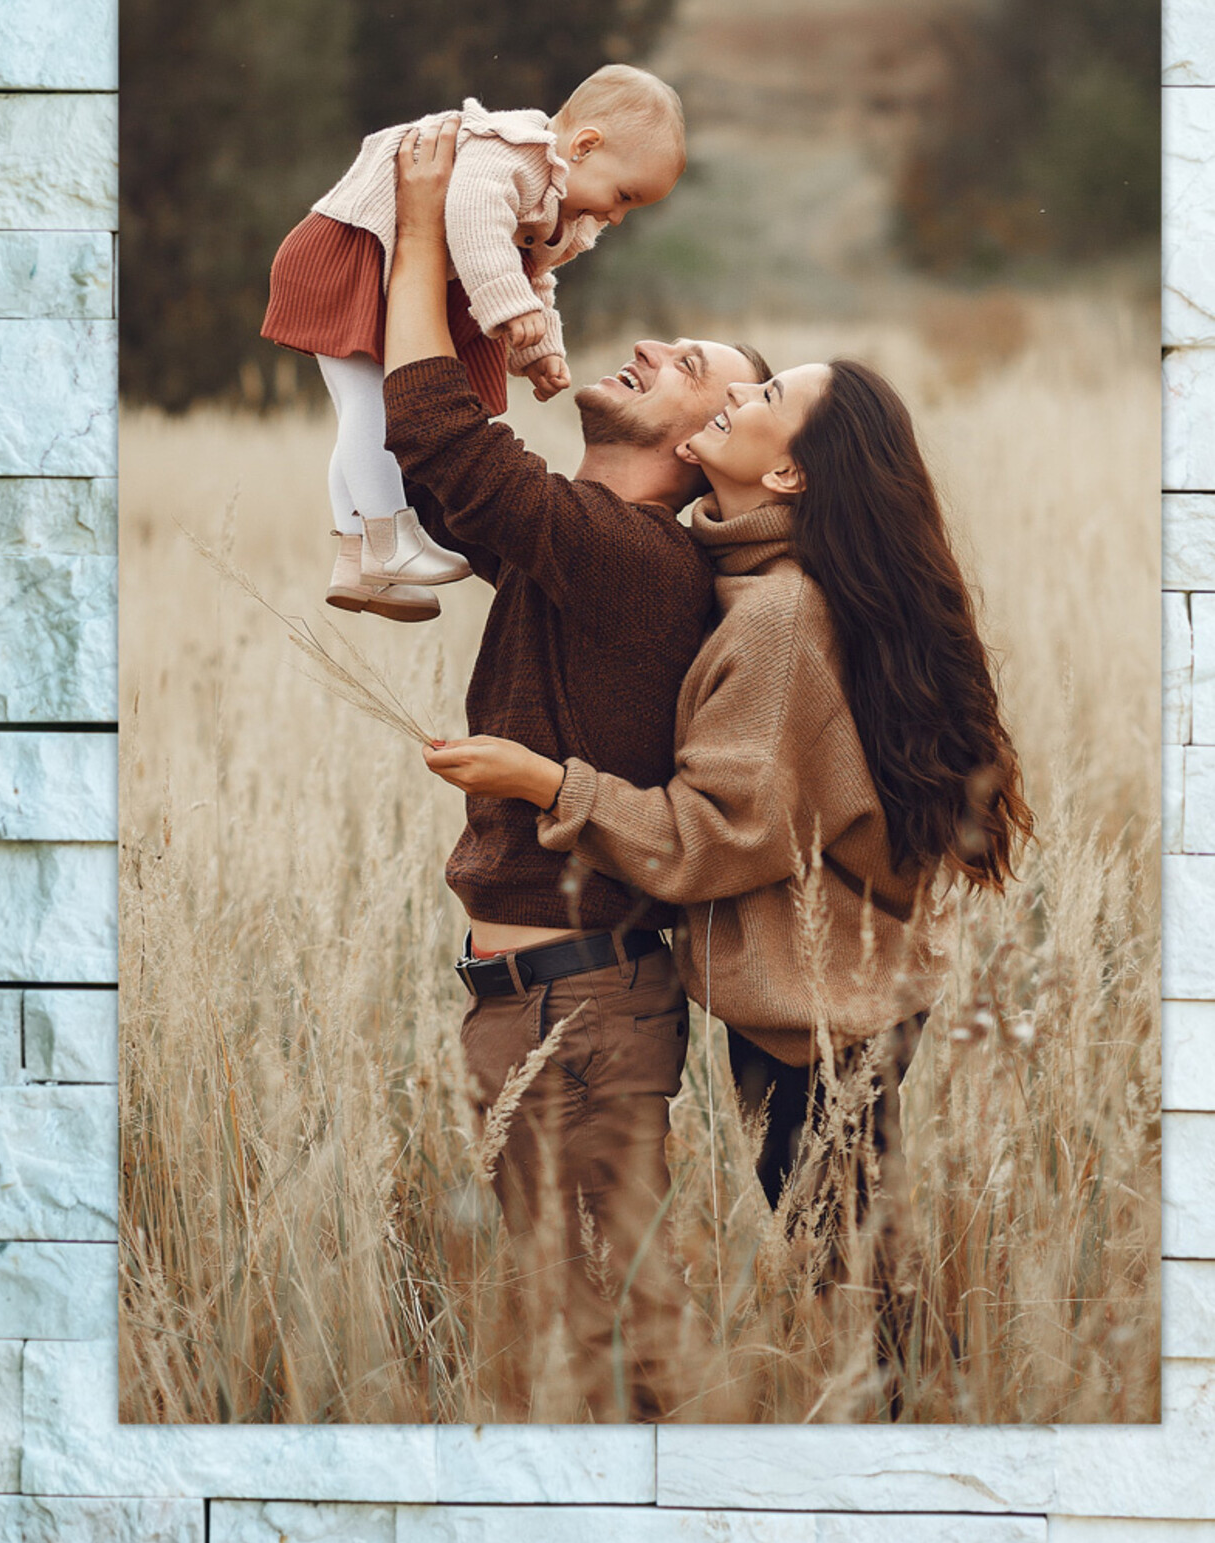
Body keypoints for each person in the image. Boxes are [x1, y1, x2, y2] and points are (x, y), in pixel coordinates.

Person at [424, 348, 1035, 1375]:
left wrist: (543, 782)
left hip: (819, 1022)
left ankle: (911, 1464)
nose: (734, 400)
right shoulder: (753, 583)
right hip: (834, 1002)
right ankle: (912, 1428)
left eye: (761, 398)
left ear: (789, 474)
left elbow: (715, 836)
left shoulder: (778, 615)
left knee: (851, 1280)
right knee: (851, 1263)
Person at [379, 111, 769, 1418]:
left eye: (689, 366)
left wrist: (427, 229)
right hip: (521, 994)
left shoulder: (637, 562)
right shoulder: (587, 542)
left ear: (704, 441)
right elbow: (452, 488)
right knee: (555, 1335)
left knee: (631, 1341)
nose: (650, 345)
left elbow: (448, 446)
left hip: (589, 1009)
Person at [261, 65, 686, 621]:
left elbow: (535, 276)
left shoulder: (564, 204)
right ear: (584, 146)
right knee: (372, 405)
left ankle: (357, 556)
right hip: (357, 250)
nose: (617, 216)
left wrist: (538, 348)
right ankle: (390, 538)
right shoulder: (510, 153)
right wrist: (508, 308)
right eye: (623, 195)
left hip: (394, 267)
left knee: (359, 407)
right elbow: (472, 220)